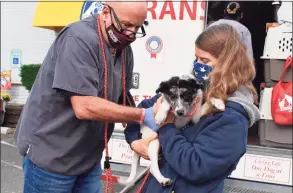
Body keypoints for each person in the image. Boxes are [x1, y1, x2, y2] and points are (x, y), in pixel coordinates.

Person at [14, 2, 159, 193]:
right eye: (126, 25)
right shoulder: (79, 39)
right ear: (105, 12)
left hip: (87, 159)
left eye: (137, 27)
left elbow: (122, 99)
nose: (131, 34)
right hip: (51, 157)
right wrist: (141, 115)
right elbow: (84, 106)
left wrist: (138, 136)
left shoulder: (124, 51)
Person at [125, 24, 260, 193]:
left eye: (205, 61)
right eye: (196, 58)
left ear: (228, 65)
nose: (197, 65)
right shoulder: (191, 87)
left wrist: (166, 126)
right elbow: (144, 109)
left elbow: (195, 167)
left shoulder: (233, 119)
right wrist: (134, 141)